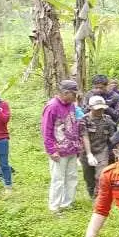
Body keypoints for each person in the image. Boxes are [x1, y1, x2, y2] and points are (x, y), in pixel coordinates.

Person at [41, 80, 83, 213]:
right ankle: (54, 207)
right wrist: (51, 150)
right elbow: (46, 131)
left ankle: (67, 203)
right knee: (58, 179)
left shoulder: (71, 105)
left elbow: (74, 125)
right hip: (58, 150)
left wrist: (78, 145)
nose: (76, 97)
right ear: (65, 93)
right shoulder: (52, 107)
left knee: (72, 177)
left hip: (72, 148)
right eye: (74, 94)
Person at [80, 95, 117, 198]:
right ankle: (92, 194)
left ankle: (99, 197)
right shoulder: (84, 119)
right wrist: (89, 154)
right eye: (97, 109)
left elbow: (113, 137)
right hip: (86, 152)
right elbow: (85, 136)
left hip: (102, 150)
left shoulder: (108, 120)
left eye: (102, 108)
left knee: (101, 175)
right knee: (88, 177)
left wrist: (117, 150)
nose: (100, 111)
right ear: (90, 107)